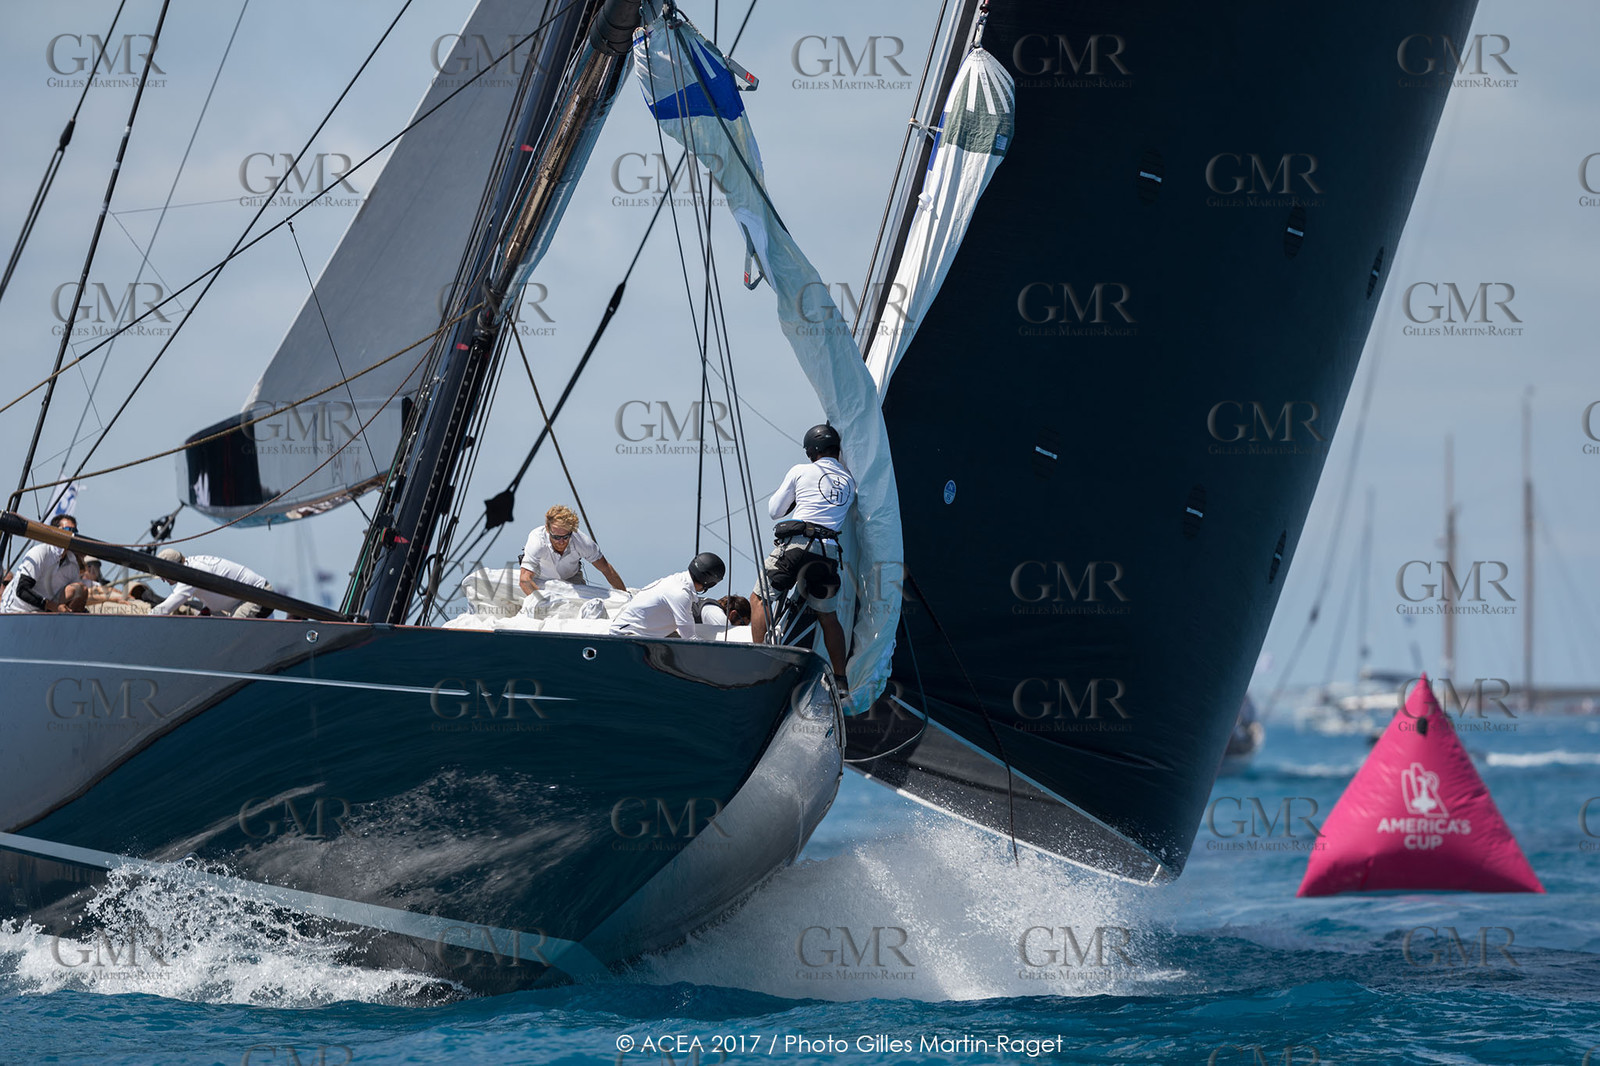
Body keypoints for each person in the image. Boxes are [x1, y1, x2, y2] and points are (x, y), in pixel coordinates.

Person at [750, 424, 855, 684]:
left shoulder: (801, 471)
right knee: (828, 617)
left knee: (759, 599)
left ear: (812, 450)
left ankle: (758, 662)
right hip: (829, 555)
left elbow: (775, 510)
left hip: (798, 547)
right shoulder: (850, 481)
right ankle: (841, 680)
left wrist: (797, 499)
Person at [609, 552, 725, 638]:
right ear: (710, 582)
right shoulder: (681, 594)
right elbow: (689, 638)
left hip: (634, 632)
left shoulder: (675, 581)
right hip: (626, 636)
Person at [519, 505, 625, 594]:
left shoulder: (583, 543)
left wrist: (625, 595)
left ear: (572, 531)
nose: (561, 542)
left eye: (565, 537)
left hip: (571, 579)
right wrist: (544, 603)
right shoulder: (537, 541)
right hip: (540, 579)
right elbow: (524, 580)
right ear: (547, 528)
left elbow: (606, 569)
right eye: (556, 537)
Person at [0, 514, 88, 614]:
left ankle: (69, 622)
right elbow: (22, 590)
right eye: (68, 530)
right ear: (54, 531)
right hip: (15, 611)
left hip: (43, 612)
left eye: (74, 532)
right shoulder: (41, 552)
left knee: (81, 590)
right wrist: (52, 606)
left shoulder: (72, 563)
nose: (72, 535)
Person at [150, 548, 275, 618]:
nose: (162, 579)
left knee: (233, 630)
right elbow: (211, 591)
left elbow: (168, 606)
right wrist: (206, 610)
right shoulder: (193, 564)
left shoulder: (190, 574)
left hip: (258, 596)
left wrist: (145, 618)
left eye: (163, 574)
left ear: (174, 569)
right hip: (246, 599)